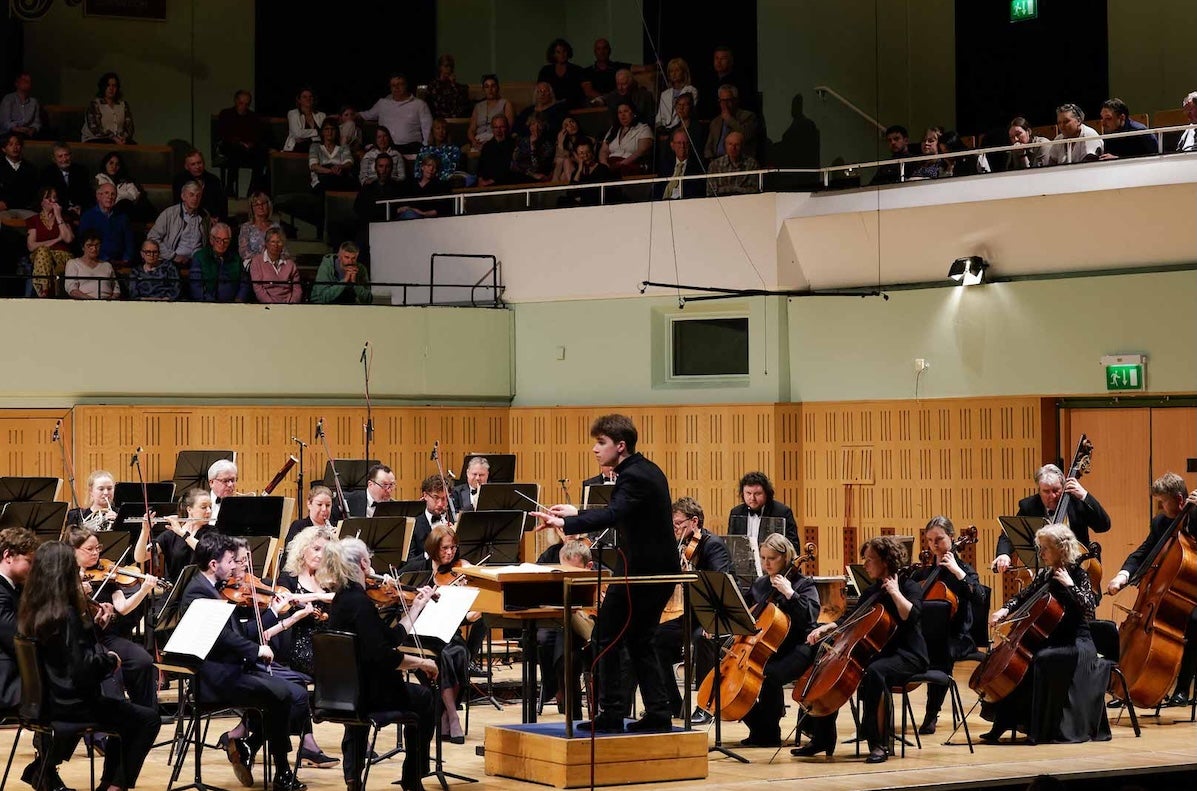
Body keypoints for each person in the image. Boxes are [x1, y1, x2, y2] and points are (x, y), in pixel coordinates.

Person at [532, 414, 680, 734]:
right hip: (654, 568)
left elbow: (614, 514)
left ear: (621, 446)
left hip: (643, 572)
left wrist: (567, 524)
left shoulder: (634, 477)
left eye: (601, 443)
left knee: (605, 636)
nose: (595, 450)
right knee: (640, 640)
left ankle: (613, 712)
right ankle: (657, 712)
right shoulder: (644, 469)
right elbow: (620, 511)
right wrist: (574, 513)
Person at [17, 541, 161, 791]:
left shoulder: (33, 609)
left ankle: (106, 783)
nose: (81, 573)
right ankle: (114, 787)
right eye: (75, 569)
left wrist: (94, 628)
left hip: (42, 703)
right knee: (147, 719)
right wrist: (110, 661)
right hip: (70, 706)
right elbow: (83, 670)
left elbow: (65, 654)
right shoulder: (67, 614)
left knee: (126, 716)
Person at [179, 532, 306, 791]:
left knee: (290, 693)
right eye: (230, 561)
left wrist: (270, 613)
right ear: (214, 565)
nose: (235, 566)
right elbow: (222, 639)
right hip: (214, 679)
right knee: (281, 693)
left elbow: (239, 634)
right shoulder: (198, 593)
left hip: (232, 669)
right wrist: (257, 650)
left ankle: (255, 751)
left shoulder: (213, 591)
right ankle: (281, 771)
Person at [318, 536, 436, 791]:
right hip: (369, 696)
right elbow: (383, 656)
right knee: (425, 699)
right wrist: (423, 663)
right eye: (369, 562)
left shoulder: (343, 599)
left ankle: (353, 775)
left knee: (373, 684)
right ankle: (412, 778)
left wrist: (415, 607)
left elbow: (389, 638)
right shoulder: (361, 603)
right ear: (362, 564)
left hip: (341, 693)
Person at [795, 536, 927, 763]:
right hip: (880, 653)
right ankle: (822, 737)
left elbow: (912, 616)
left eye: (869, 560)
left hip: (908, 654)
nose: (864, 565)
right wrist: (827, 627)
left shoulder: (908, 586)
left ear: (886, 561)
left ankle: (878, 743)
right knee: (830, 673)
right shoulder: (871, 591)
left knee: (875, 672)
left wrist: (895, 593)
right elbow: (850, 619)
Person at [982, 524, 1110, 745]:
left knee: (1039, 660)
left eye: (1045, 549)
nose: (1040, 554)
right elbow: (1024, 595)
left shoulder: (1079, 574)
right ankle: (1003, 722)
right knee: (1020, 662)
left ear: (1061, 549)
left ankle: (1039, 729)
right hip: (1051, 638)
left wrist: (1070, 586)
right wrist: (1005, 609)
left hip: (1077, 642)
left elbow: (1089, 606)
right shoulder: (1047, 574)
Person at [1107, 473, 1197, 706]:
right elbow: (1143, 551)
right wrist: (1123, 576)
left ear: (1179, 499)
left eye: (1162, 501)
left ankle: (1182, 688)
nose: (1159, 506)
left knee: (1194, 621)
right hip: (1173, 593)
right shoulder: (1161, 522)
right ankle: (1127, 686)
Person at [736, 533, 820, 746]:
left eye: (771, 558)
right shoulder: (761, 584)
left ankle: (770, 732)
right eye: (763, 558)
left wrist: (791, 594)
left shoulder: (803, 584)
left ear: (786, 557)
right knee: (735, 676)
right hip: (768, 646)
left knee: (769, 675)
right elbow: (744, 613)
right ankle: (760, 728)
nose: (766, 563)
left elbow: (810, 617)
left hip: (799, 646)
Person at [654, 497, 733, 724]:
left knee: (703, 640)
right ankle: (673, 703)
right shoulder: (679, 546)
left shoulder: (712, 545)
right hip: (693, 613)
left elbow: (721, 584)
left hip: (717, 613)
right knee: (654, 638)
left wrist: (692, 573)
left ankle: (706, 706)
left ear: (694, 521)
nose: (675, 528)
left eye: (678, 523)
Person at [398, 525, 478, 742]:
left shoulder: (459, 569)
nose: (450, 553)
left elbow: (463, 610)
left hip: (447, 630)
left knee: (459, 653)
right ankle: (452, 715)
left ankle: (443, 713)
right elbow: (401, 599)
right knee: (443, 656)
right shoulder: (418, 569)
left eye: (453, 548)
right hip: (420, 632)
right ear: (434, 548)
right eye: (445, 548)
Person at [68, 526, 159, 709]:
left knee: (142, 660)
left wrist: (144, 590)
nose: (96, 553)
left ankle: (145, 713)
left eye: (97, 548)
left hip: (104, 636)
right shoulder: (64, 576)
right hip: (80, 640)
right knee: (108, 668)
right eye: (90, 549)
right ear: (73, 551)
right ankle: (112, 721)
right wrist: (77, 590)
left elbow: (123, 608)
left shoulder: (106, 574)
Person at [909, 515, 979, 734]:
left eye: (939, 539)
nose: (934, 545)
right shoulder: (924, 572)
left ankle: (931, 714)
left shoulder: (965, 571)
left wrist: (958, 573)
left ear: (951, 537)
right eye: (930, 540)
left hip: (957, 636)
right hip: (926, 636)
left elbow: (978, 598)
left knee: (941, 651)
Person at [993, 462, 1111, 574]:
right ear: (1039, 490)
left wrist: (1085, 495)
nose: (1052, 496)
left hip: (1076, 571)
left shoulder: (1076, 502)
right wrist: (1003, 554)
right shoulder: (1030, 506)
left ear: (1064, 487)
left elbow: (1103, 525)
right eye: (1046, 491)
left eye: (1056, 490)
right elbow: (1010, 534)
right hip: (1043, 572)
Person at [726, 471, 799, 575]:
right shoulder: (736, 512)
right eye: (748, 493)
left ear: (767, 493)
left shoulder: (782, 512)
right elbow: (732, 544)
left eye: (757, 494)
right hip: (744, 571)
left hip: (774, 571)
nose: (752, 498)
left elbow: (793, 546)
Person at [137, 486, 213, 584]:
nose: (209, 511)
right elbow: (140, 557)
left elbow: (207, 552)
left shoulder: (212, 532)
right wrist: (145, 531)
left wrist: (182, 533)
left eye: (210, 507)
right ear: (189, 510)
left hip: (201, 591)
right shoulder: (170, 535)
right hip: (174, 592)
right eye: (204, 507)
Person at [0, 527, 37, 710]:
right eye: (29, 561)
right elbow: (16, 636)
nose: (32, 569)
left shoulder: (15, 589)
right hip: (6, 682)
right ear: (8, 556)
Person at [359, 74, 432, 155]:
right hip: (386, 150)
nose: (396, 88)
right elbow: (367, 115)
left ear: (406, 85)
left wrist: (426, 151)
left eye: (400, 84)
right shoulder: (383, 103)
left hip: (410, 149)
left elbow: (427, 130)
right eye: (393, 85)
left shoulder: (419, 104)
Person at [216, 89, 272, 195]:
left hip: (248, 149)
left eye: (246, 104)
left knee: (260, 153)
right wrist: (238, 142)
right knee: (235, 150)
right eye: (241, 103)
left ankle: (253, 190)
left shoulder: (253, 117)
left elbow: (257, 135)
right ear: (236, 101)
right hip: (230, 146)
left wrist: (251, 143)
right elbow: (223, 133)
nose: (243, 106)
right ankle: (229, 188)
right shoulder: (226, 114)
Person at [26, 186, 74, 298]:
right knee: (43, 251)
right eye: (49, 198)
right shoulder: (34, 220)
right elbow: (31, 246)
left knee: (45, 253)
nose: (53, 201)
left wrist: (58, 215)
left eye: (54, 198)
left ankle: (45, 293)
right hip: (41, 258)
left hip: (62, 256)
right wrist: (56, 239)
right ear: (41, 202)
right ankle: (44, 291)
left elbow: (68, 239)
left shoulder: (63, 217)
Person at [148, 180, 210, 266]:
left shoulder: (204, 215)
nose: (195, 199)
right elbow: (152, 238)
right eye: (191, 195)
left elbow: (207, 242)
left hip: (197, 260)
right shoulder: (169, 213)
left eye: (198, 196)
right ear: (183, 196)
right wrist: (173, 256)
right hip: (173, 260)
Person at [78, 181, 133, 267]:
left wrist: (126, 259)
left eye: (113, 194)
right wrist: (106, 260)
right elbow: (85, 242)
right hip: (97, 261)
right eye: (106, 193)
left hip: (120, 262)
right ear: (98, 196)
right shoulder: (88, 216)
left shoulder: (123, 217)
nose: (110, 197)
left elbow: (129, 241)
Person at [190, 222, 249, 302]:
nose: (222, 244)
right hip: (207, 305)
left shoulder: (236, 259)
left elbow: (244, 283)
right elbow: (196, 286)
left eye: (226, 241)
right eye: (218, 240)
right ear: (211, 240)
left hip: (232, 306)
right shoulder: (200, 256)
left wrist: (239, 300)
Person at [705, 85, 759, 163]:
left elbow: (745, 135)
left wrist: (729, 119)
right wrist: (711, 160)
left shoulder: (748, 116)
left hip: (740, 162)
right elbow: (708, 147)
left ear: (736, 100)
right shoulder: (715, 122)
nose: (724, 104)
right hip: (718, 163)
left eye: (728, 100)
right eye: (722, 101)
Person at [93, 151, 153, 222]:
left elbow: (135, 196)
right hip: (110, 211)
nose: (114, 167)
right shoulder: (99, 179)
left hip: (128, 209)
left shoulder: (126, 181)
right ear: (105, 164)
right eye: (111, 163)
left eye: (117, 164)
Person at [39, 142, 91, 219]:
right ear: (54, 159)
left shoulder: (81, 171)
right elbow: (48, 197)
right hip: (58, 210)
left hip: (80, 211)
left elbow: (86, 193)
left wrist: (80, 207)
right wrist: (66, 209)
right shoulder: (47, 173)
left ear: (71, 156)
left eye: (66, 155)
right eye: (60, 156)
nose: (64, 159)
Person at [599, 101, 653, 176]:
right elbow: (603, 150)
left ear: (633, 113)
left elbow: (641, 151)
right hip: (610, 165)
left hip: (629, 164)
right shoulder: (613, 129)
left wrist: (621, 164)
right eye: (620, 112)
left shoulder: (643, 128)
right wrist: (605, 165)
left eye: (626, 111)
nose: (623, 115)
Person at [249, 227, 302, 304]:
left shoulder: (290, 264)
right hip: (267, 306)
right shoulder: (257, 262)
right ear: (266, 243)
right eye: (273, 242)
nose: (276, 245)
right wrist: (272, 305)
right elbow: (258, 289)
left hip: (289, 306)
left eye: (279, 242)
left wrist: (292, 304)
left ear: (283, 244)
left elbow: (297, 289)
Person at [172, 150, 228, 222]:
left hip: (213, 222)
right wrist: (203, 219)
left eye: (199, 163)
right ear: (186, 166)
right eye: (193, 164)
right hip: (187, 220)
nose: (197, 167)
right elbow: (179, 205)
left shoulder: (214, 180)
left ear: (203, 163)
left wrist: (218, 219)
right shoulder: (179, 180)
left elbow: (222, 205)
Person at [699, 45, 754, 119]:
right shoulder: (708, 81)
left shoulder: (740, 82)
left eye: (723, 59)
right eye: (716, 58)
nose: (718, 62)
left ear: (731, 61)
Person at [390, 154, 451, 219]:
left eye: (434, 167)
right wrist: (401, 209)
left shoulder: (441, 186)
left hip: (428, 219)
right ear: (422, 167)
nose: (431, 169)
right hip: (407, 215)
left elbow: (443, 208)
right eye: (428, 165)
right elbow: (399, 203)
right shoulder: (410, 183)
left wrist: (423, 213)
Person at [407, 473, 452, 560]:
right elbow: (409, 563)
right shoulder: (413, 525)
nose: (440, 504)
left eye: (444, 499)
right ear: (425, 496)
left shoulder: (454, 521)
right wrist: (429, 554)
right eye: (436, 497)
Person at [465, 75, 514, 155]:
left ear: (497, 88)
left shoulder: (505, 104)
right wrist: (473, 141)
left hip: (496, 139)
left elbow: (509, 127)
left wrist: (491, 142)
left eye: (493, 86)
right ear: (483, 89)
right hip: (479, 140)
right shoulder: (478, 106)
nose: (490, 89)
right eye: (487, 87)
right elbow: (471, 129)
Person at [65, 229, 120, 300]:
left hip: (107, 304)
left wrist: (110, 300)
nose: (94, 249)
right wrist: (93, 301)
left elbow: (116, 289)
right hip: (83, 304)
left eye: (97, 245)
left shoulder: (107, 265)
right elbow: (72, 290)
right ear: (82, 247)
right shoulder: (73, 263)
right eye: (89, 245)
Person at [82, 72, 135, 144]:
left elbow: (129, 127)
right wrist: (113, 137)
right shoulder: (95, 104)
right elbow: (95, 129)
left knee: (132, 145)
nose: (111, 88)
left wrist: (123, 137)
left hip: (119, 140)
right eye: (108, 85)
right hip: (98, 139)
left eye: (114, 86)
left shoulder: (123, 105)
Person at [312, 240, 372, 304]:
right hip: (322, 306)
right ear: (339, 256)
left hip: (348, 306)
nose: (350, 262)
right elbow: (324, 297)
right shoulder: (327, 266)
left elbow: (367, 300)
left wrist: (355, 284)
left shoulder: (361, 269)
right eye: (347, 257)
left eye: (353, 258)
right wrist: (344, 281)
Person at [309, 119, 356, 192]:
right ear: (322, 132)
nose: (330, 132)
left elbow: (349, 163)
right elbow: (314, 166)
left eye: (332, 129)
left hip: (340, 179)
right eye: (327, 129)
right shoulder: (315, 146)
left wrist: (340, 167)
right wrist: (331, 171)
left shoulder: (343, 147)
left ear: (336, 132)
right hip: (321, 181)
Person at [656, 129, 704, 200]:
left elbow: (696, 192)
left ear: (689, 145)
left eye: (685, 143)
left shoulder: (697, 166)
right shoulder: (665, 165)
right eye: (679, 143)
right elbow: (657, 189)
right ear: (672, 145)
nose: (682, 146)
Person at [237, 190, 283, 264]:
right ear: (252, 208)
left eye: (263, 203)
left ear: (268, 205)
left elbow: (283, 249)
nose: (260, 206)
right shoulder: (246, 227)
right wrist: (263, 259)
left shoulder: (275, 226)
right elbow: (243, 252)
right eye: (256, 204)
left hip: (274, 264)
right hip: (254, 264)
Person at [538, 38, 586, 109]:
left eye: (564, 51)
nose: (562, 55)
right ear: (553, 54)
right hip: (550, 105)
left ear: (568, 52)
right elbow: (540, 91)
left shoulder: (577, 70)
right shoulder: (546, 71)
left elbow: (582, 93)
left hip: (571, 105)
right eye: (558, 52)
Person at [0, 132, 38, 219]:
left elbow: (31, 193)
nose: (15, 147)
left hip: (24, 208)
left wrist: (7, 203)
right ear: (3, 149)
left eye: (17, 144)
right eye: (10, 144)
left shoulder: (31, 169)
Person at [656, 58, 699, 132]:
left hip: (683, 128)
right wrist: (660, 128)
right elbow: (659, 117)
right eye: (671, 71)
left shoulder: (691, 90)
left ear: (684, 72)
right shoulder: (664, 94)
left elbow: (688, 113)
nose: (674, 74)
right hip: (665, 130)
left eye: (677, 70)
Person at [564, 139, 612, 206]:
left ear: (592, 152)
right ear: (577, 155)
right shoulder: (576, 172)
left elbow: (604, 193)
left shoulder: (602, 169)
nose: (585, 156)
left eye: (588, 152)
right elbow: (571, 193)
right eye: (581, 153)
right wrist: (579, 170)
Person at [511, 113, 556, 182]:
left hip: (539, 178)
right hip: (522, 175)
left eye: (539, 125)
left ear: (544, 127)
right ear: (529, 126)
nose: (536, 128)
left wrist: (534, 146)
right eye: (533, 124)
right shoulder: (521, 142)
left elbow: (538, 166)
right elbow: (514, 164)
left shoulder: (548, 145)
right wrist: (531, 174)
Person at [416, 118, 463, 182]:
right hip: (425, 184)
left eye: (443, 128)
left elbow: (452, 171)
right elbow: (417, 171)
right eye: (438, 128)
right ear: (433, 131)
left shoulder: (454, 150)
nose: (441, 131)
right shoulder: (424, 150)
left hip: (444, 183)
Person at [426, 54, 471, 120]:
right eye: (446, 66)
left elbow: (459, 103)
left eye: (451, 66)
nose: (449, 69)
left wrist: (453, 84)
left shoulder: (457, 87)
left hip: (455, 118)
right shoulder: (433, 85)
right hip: (438, 118)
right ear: (440, 67)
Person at [477, 114, 517, 187]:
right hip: (485, 184)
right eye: (496, 127)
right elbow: (481, 167)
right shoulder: (487, 146)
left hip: (505, 183)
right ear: (492, 129)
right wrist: (480, 180)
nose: (498, 130)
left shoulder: (513, 145)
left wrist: (491, 181)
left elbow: (510, 167)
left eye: (502, 127)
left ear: (507, 128)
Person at [283, 87, 325, 153]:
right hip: (297, 148)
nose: (308, 99)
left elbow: (325, 134)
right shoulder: (293, 113)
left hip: (316, 148)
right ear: (299, 100)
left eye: (310, 97)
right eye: (304, 97)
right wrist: (317, 131)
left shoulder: (321, 115)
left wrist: (305, 136)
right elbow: (297, 133)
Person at [0, 72, 41, 138]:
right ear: (17, 83)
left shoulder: (34, 102)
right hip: (10, 134)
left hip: (27, 134)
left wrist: (33, 129)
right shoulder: (8, 99)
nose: (27, 82)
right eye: (24, 80)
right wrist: (17, 129)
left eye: (29, 81)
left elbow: (36, 122)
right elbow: (4, 122)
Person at [551, 115, 591, 182]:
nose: (571, 126)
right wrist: (560, 143)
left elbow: (586, 159)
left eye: (572, 122)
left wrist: (571, 156)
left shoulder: (588, 140)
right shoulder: (562, 142)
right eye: (566, 125)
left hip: (583, 168)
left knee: (566, 162)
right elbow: (557, 163)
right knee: (563, 174)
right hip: (567, 171)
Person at [207, 458, 240, 523]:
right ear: (212, 483)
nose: (230, 485)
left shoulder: (240, 505)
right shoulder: (199, 504)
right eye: (225, 481)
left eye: (233, 480)